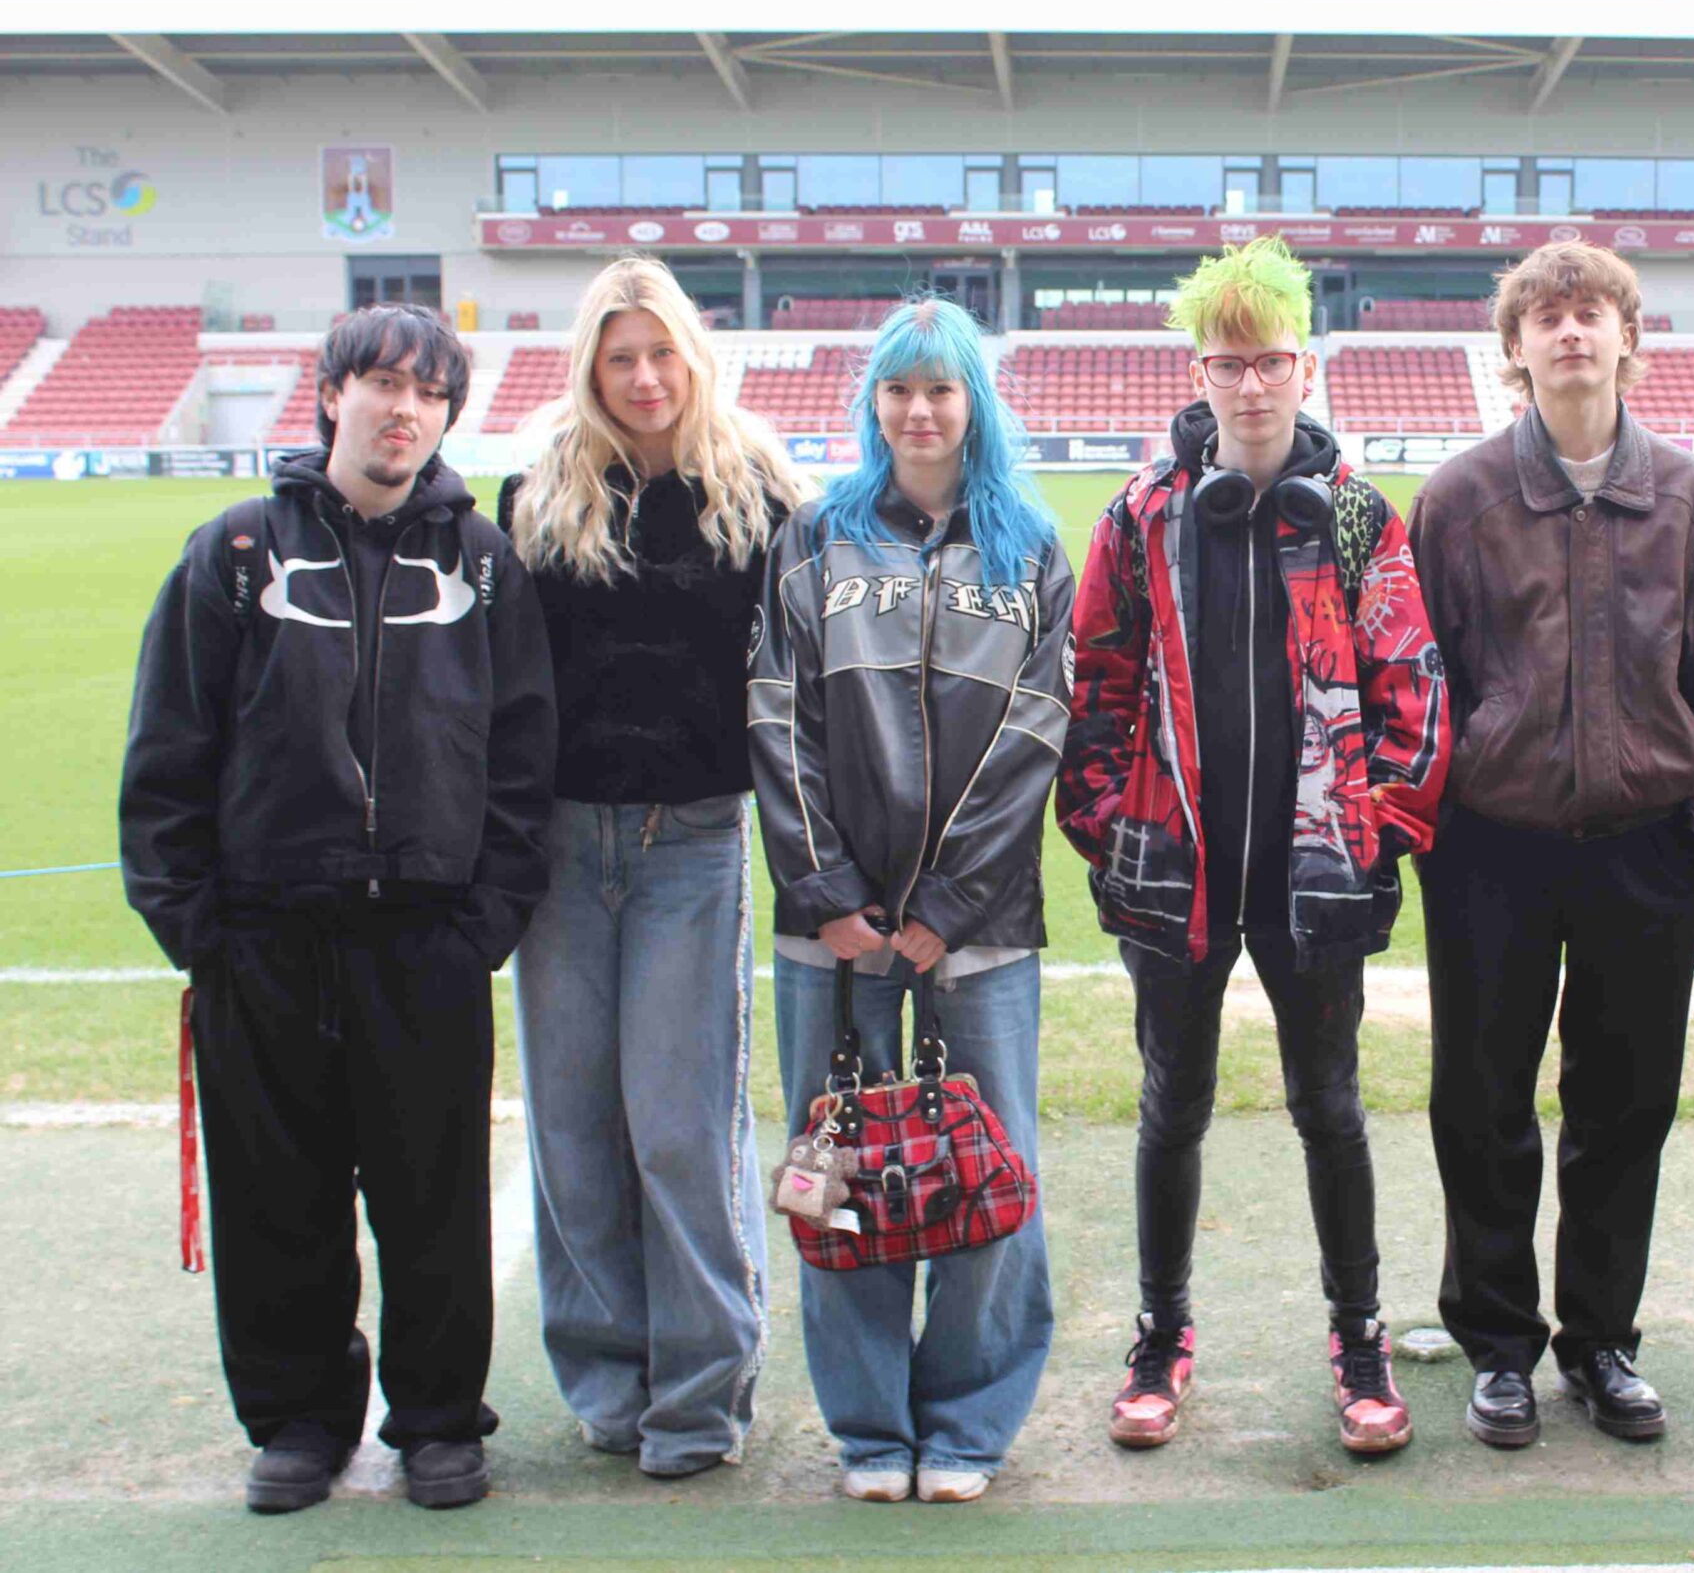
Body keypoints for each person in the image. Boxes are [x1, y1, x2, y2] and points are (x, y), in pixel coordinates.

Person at [120, 304, 555, 1513]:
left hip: (424, 941)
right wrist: (198, 928)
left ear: (447, 416)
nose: (402, 409)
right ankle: (299, 1418)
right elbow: (167, 752)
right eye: (379, 384)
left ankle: (435, 1419)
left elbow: (524, 764)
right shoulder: (237, 552)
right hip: (264, 938)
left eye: (426, 393)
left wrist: (484, 924)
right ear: (328, 396)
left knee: (431, 1198)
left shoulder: (480, 563)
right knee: (277, 1197)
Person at [1056, 235, 1448, 1457]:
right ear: (1200, 370)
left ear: (1305, 366)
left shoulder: (1355, 520)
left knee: (1328, 1106)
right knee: (1170, 1108)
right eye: (1229, 363)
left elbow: (1412, 686)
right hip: (1174, 878)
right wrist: (1108, 823)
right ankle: (1160, 1334)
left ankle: (1359, 1333)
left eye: (1271, 360)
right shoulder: (1139, 517)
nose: (1251, 384)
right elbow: (1094, 684)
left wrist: (1376, 827)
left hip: (1313, 879)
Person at [1408, 242, 1694, 1448]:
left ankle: (1602, 1341)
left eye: (1591, 313)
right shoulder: (1459, 499)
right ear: (1514, 348)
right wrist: (1441, 830)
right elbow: (1422, 690)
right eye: (1546, 316)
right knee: (1481, 1100)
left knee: (1623, 1106)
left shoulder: (1686, 494)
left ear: (1628, 338)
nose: (1570, 333)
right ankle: (1498, 1344)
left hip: (1644, 853)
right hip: (1491, 854)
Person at [751, 297, 1071, 1504]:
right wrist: (827, 892)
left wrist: (948, 899)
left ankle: (971, 1420)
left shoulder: (1028, 547)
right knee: (835, 1171)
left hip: (978, 930)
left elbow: (1036, 731)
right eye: (898, 389)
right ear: (871, 403)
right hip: (826, 934)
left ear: (974, 403)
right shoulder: (812, 538)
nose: (920, 411)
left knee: (993, 1169)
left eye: (941, 389)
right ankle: (870, 1428)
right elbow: (773, 715)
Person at [498, 257, 809, 1477]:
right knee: (574, 1126)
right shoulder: (536, 494)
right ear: (589, 367)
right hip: (560, 850)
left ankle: (700, 1392)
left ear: (694, 355)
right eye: (619, 356)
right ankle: (605, 1379)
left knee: (680, 1126)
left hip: (691, 842)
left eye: (661, 352)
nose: (642, 377)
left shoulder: (761, 493)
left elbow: (797, 684)